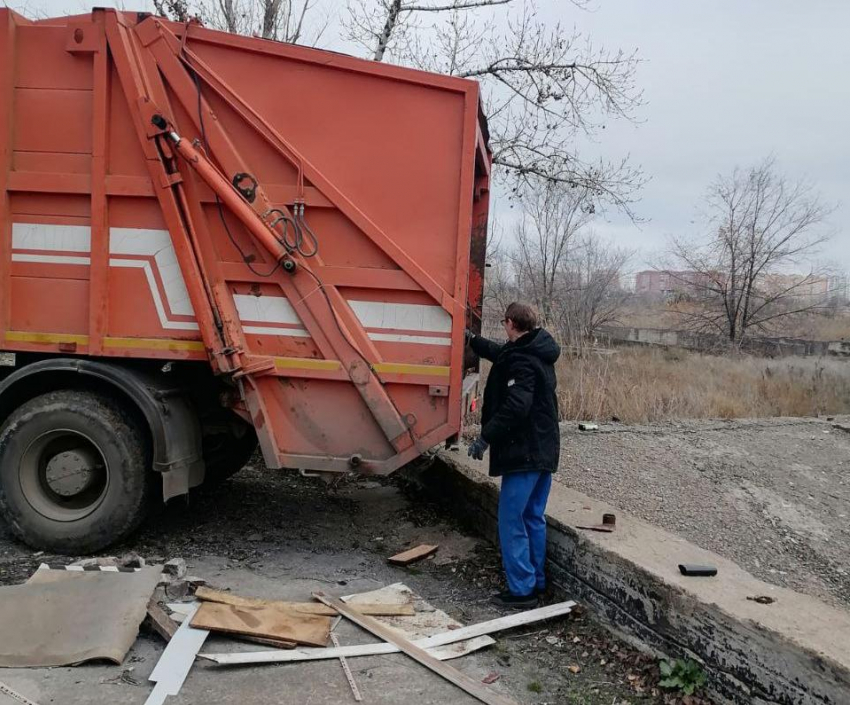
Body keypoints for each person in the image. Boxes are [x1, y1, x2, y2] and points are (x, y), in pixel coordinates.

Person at [466, 302, 561, 608]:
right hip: (543, 451)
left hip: (525, 453)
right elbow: (501, 353)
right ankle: (537, 583)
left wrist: (485, 438)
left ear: (510, 323)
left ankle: (522, 590)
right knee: (532, 516)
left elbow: (517, 406)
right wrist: (473, 341)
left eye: (504, 323)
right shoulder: (532, 349)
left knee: (511, 519)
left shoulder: (523, 361)